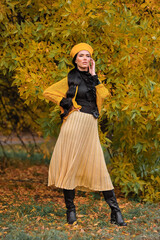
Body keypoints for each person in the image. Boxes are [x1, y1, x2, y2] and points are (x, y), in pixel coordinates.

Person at [43, 43, 127, 226]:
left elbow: (104, 96)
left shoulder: (93, 79)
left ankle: (115, 211)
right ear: (75, 59)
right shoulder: (70, 78)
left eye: (88, 56)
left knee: (99, 167)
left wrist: (95, 76)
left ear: (91, 60)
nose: (85, 59)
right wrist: (66, 103)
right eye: (81, 55)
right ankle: (71, 211)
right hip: (74, 124)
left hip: (90, 126)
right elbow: (48, 92)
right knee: (70, 166)